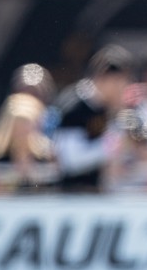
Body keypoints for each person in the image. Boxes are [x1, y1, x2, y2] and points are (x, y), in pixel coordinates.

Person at [53, 45, 134, 193]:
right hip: (74, 195)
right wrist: (109, 147)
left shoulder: (110, 109)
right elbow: (69, 161)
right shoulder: (75, 107)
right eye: (120, 83)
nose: (122, 90)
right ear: (105, 79)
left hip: (98, 195)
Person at [0, 93, 56, 194]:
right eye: (18, 128)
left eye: (26, 128)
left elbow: (50, 191)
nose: (22, 133)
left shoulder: (45, 158)